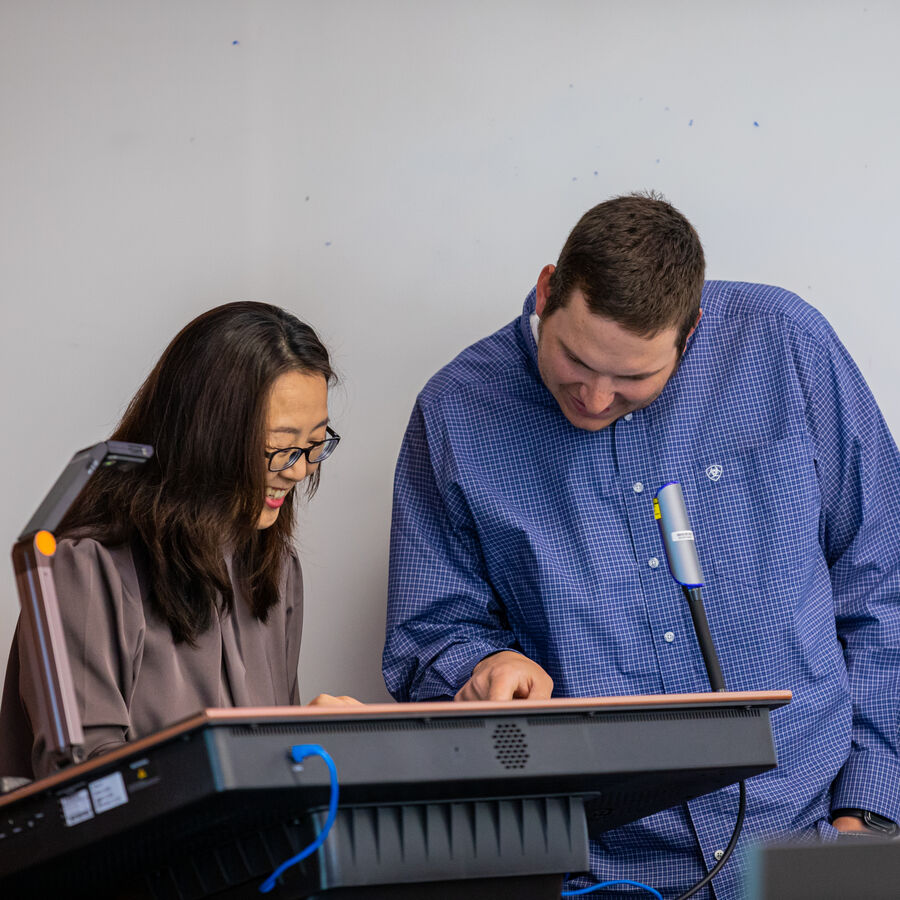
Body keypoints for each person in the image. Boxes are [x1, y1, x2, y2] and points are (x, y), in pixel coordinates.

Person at [383, 194, 900, 898]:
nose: (595, 398)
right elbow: (428, 635)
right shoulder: (454, 412)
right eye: (573, 359)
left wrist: (867, 818)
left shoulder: (787, 346)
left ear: (689, 333)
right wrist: (483, 664)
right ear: (546, 290)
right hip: (602, 871)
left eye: (632, 380)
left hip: (813, 842)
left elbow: (884, 578)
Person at [0, 301, 357, 782]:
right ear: (205, 437)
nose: (298, 470)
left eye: (315, 444)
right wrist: (281, 748)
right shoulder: (87, 567)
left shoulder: (273, 567)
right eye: (279, 446)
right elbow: (89, 790)